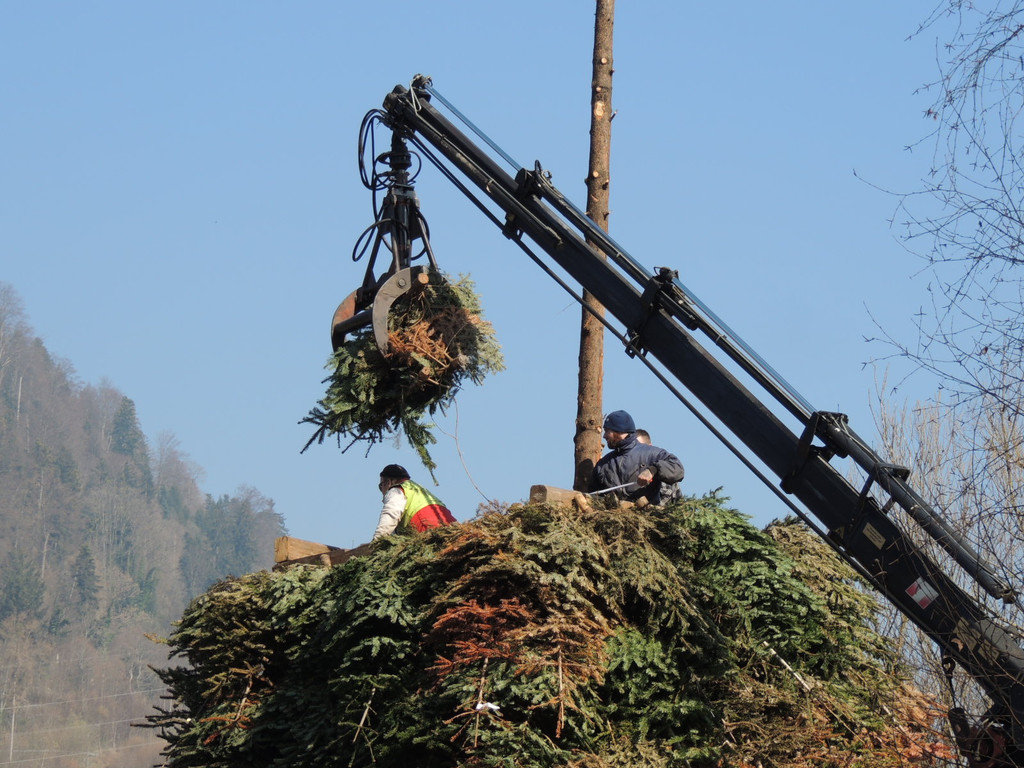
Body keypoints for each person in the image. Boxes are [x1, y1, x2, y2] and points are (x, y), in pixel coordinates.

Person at [590, 410, 684, 505]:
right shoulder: (603, 465)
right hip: (613, 514)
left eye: (607, 431)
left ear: (619, 430)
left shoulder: (652, 454)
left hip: (649, 513)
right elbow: (594, 498)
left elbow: (678, 468)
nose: (604, 436)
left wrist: (652, 470)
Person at [373, 464, 456, 540]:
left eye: (381, 485)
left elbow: (390, 516)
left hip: (429, 530)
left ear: (388, 482)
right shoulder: (419, 490)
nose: (382, 490)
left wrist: (376, 543)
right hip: (453, 530)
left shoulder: (396, 490)